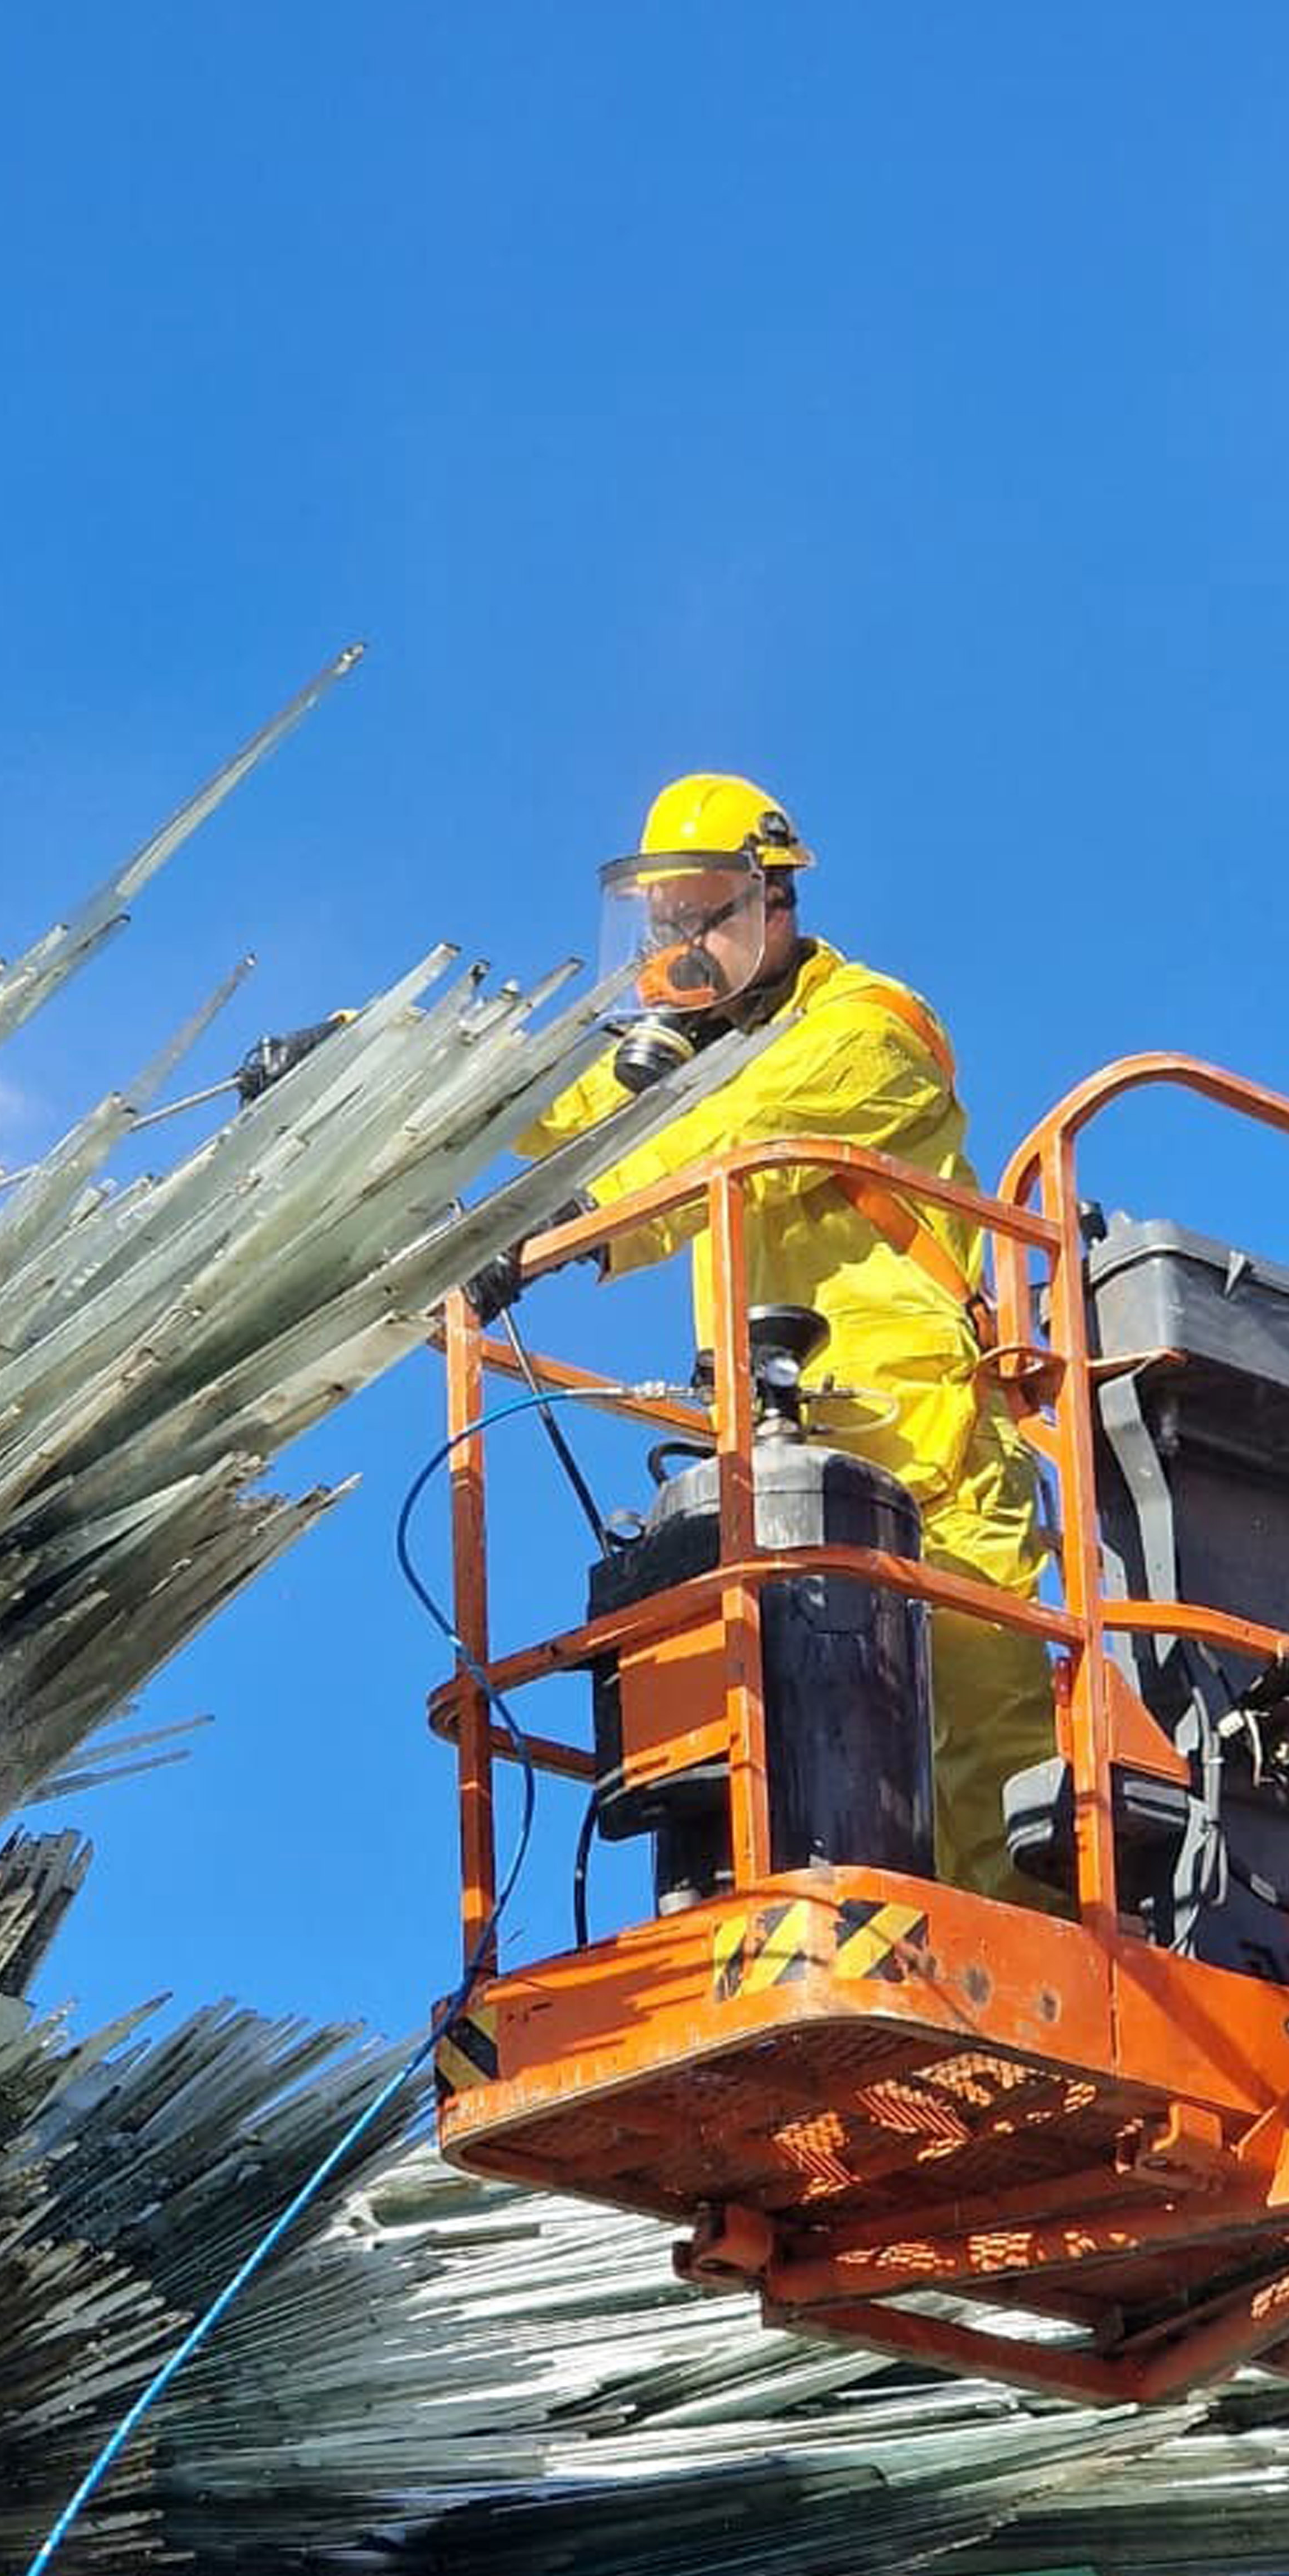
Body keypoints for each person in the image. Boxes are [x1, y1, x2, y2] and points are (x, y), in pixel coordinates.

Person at [489, 771, 1057, 1908]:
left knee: (980, 1736)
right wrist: (366, 1061)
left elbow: (737, 1135)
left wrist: (562, 1223)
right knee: (784, 1745)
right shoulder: (701, 1052)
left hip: (926, 1441)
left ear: (775, 903)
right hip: (778, 1452)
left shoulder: (867, 1030)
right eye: (662, 923)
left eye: (702, 916)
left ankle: (1025, 1945)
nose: (679, 949)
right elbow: (551, 1102)